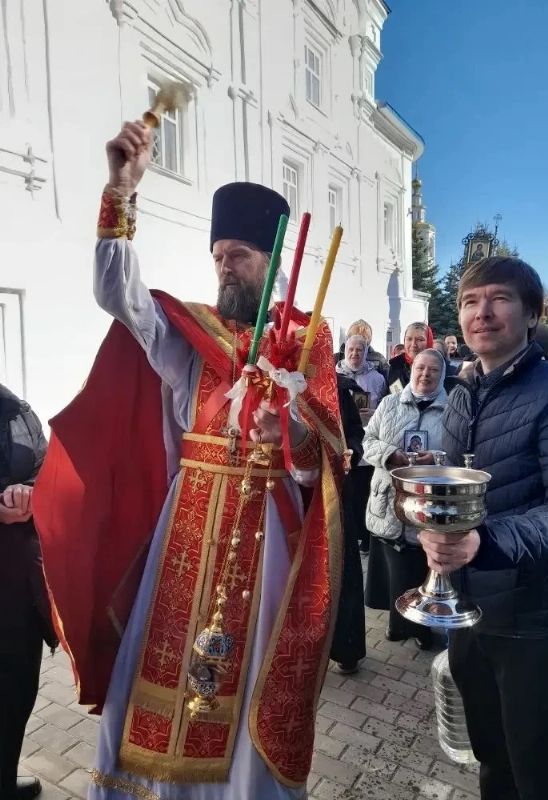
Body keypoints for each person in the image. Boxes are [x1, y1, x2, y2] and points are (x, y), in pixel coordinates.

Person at [33, 121, 344, 800]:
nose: (225, 267)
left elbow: (318, 469)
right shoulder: (189, 339)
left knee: (250, 675)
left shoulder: (307, 338)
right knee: (160, 671)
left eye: (239, 255)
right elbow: (120, 298)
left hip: (267, 539)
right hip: (187, 533)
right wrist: (120, 193)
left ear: (270, 262)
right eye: (218, 256)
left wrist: (287, 430)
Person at [419, 256, 548, 800]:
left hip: (539, 626)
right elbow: (456, 494)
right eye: (470, 302)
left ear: (532, 314)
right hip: (472, 616)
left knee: (543, 777)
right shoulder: (462, 394)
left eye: (499, 299)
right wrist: (434, 530)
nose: (483, 313)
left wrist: (485, 542)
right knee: (493, 763)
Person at [363, 349, 448, 650]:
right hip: (389, 500)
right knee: (394, 568)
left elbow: (460, 451)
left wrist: (436, 458)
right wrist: (390, 455)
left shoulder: (451, 410)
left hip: (426, 504)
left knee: (422, 567)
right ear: (412, 370)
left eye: (433, 370)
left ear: (442, 375)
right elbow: (367, 441)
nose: (425, 374)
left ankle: (423, 629)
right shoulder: (389, 403)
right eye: (420, 368)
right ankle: (396, 625)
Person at [0, 385, 58, 800]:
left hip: (17, 580)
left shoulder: (14, 408)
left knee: (16, 688)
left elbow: (45, 466)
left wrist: (32, 493)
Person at [336, 335, 387, 556]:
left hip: (368, 442)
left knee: (364, 492)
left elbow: (386, 408)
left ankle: (365, 538)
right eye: (351, 349)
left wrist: (373, 414)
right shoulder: (334, 375)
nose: (354, 353)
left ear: (366, 352)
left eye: (359, 350)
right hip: (344, 440)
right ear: (345, 351)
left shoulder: (377, 379)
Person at [330, 374, 366, 675]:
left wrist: (352, 450)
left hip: (336, 488)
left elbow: (355, 432)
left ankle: (347, 646)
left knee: (344, 566)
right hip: (289, 491)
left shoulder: (338, 387)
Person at [387, 322, 433, 393]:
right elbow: (393, 392)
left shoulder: (438, 366)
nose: (413, 344)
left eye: (420, 340)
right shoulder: (395, 366)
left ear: (429, 342)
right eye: (409, 339)